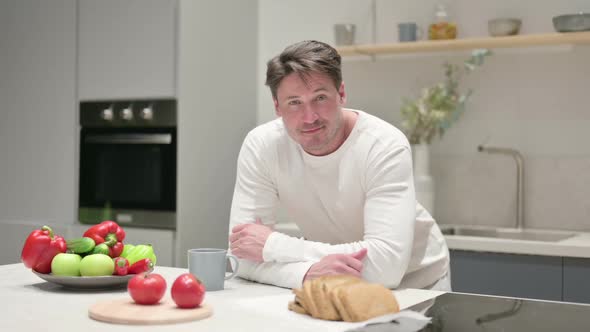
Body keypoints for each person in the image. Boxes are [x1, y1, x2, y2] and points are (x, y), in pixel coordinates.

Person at [228, 40, 450, 291]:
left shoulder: (383, 145)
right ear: (277, 107)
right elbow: (241, 256)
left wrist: (272, 246)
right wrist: (307, 274)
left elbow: (386, 268)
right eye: (294, 102)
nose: (309, 116)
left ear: (341, 93)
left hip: (415, 283)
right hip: (334, 279)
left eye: (320, 98)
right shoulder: (262, 146)